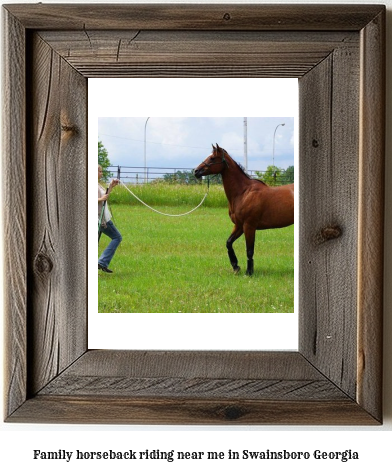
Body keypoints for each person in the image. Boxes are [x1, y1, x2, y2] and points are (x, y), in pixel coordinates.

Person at [98, 165, 122, 273]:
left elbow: (105, 195)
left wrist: (111, 186)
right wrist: (100, 199)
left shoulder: (97, 185)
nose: (101, 173)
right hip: (101, 219)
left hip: (101, 218)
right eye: (99, 171)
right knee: (117, 237)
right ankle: (102, 262)